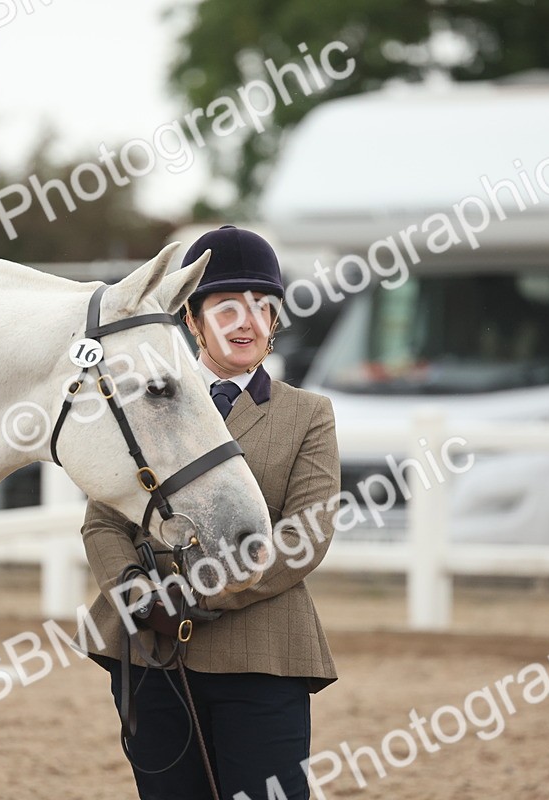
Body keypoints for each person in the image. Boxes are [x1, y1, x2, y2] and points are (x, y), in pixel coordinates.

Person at [79, 225, 340, 800]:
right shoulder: (146, 403)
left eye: (261, 307)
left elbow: (306, 534)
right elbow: (104, 522)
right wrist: (137, 595)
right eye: (226, 309)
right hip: (153, 654)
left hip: (263, 654)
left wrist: (195, 597)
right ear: (192, 321)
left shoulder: (308, 415)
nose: (246, 322)